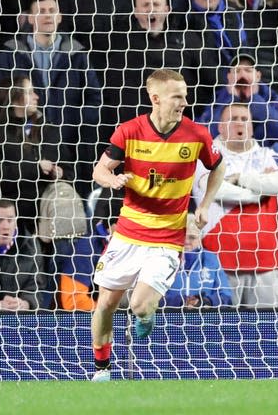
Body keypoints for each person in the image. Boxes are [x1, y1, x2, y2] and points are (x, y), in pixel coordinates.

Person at [90, 69, 226, 382]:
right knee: (106, 303)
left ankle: (145, 313)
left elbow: (218, 168)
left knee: (138, 305)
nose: (184, 101)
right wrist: (113, 179)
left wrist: (204, 204)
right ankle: (101, 371)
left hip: (167, 236)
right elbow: (100, 170)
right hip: (127, 233)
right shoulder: (129, 131)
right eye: (177, 96)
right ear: (156, 99)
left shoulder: (197, 135)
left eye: (186, 95)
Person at [0, 0, 102, 198]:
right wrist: (14, 132)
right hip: (22, 146)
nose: (47, 16)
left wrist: (75, 123)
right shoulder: (11, 53)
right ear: (30, 18)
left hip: (69, 143)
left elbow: (94, 97)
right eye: (41, 12)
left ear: (60, 16)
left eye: (51, 11)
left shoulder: (77, 54)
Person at [193, 102, 278, 309]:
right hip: (220, 265)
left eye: (245, 119)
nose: (240, 123)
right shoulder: (205, 157)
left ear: (252, 126)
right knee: (222, 337)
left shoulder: (266, 154)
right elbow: (215, 190)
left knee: (273, 334)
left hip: (265, 263)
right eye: (233, 118)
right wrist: (258, 193)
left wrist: (240, 178)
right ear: (220, 126)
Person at [0, 74, 65, 235]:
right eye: (29, 92)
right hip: (8, 216)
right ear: (13, 97)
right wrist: (36, 168)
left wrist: (60, 173)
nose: (36, 97)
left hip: (48, 213)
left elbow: (70, 167)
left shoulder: (48, 129)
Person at [103, 0, 198, 131]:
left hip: (178, 127)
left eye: (156, 4)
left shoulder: (187, 41)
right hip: (136, 130)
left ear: (167, 10)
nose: (151, 9)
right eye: (146, 5)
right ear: (135, 12)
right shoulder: (120, 44)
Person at [170, 0, 246, 117]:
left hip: (241, 84)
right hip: (210, 96)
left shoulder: (232, 14)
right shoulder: (184, 17)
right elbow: (172, 17)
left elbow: (245, 51)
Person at [196, 52, 278, 153]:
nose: (242, 74)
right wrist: (230, 99)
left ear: (257, 76)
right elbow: (207, 133)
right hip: (226, 154)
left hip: (262, 153)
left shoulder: (271, 96)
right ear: (229, 77)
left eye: (248, 70)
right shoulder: (218, 98)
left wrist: (255, 99)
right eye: (237, 71)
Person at [164, 214, 233, 309]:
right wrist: (181, 301)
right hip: (170, 318)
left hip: (205, 318)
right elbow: (153, 296)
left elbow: (226, 296)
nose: (186, 241)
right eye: (182, 237)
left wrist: (206, 301)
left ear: (200, 238)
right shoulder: (165, 258)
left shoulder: (210, 259)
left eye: (192, 237)